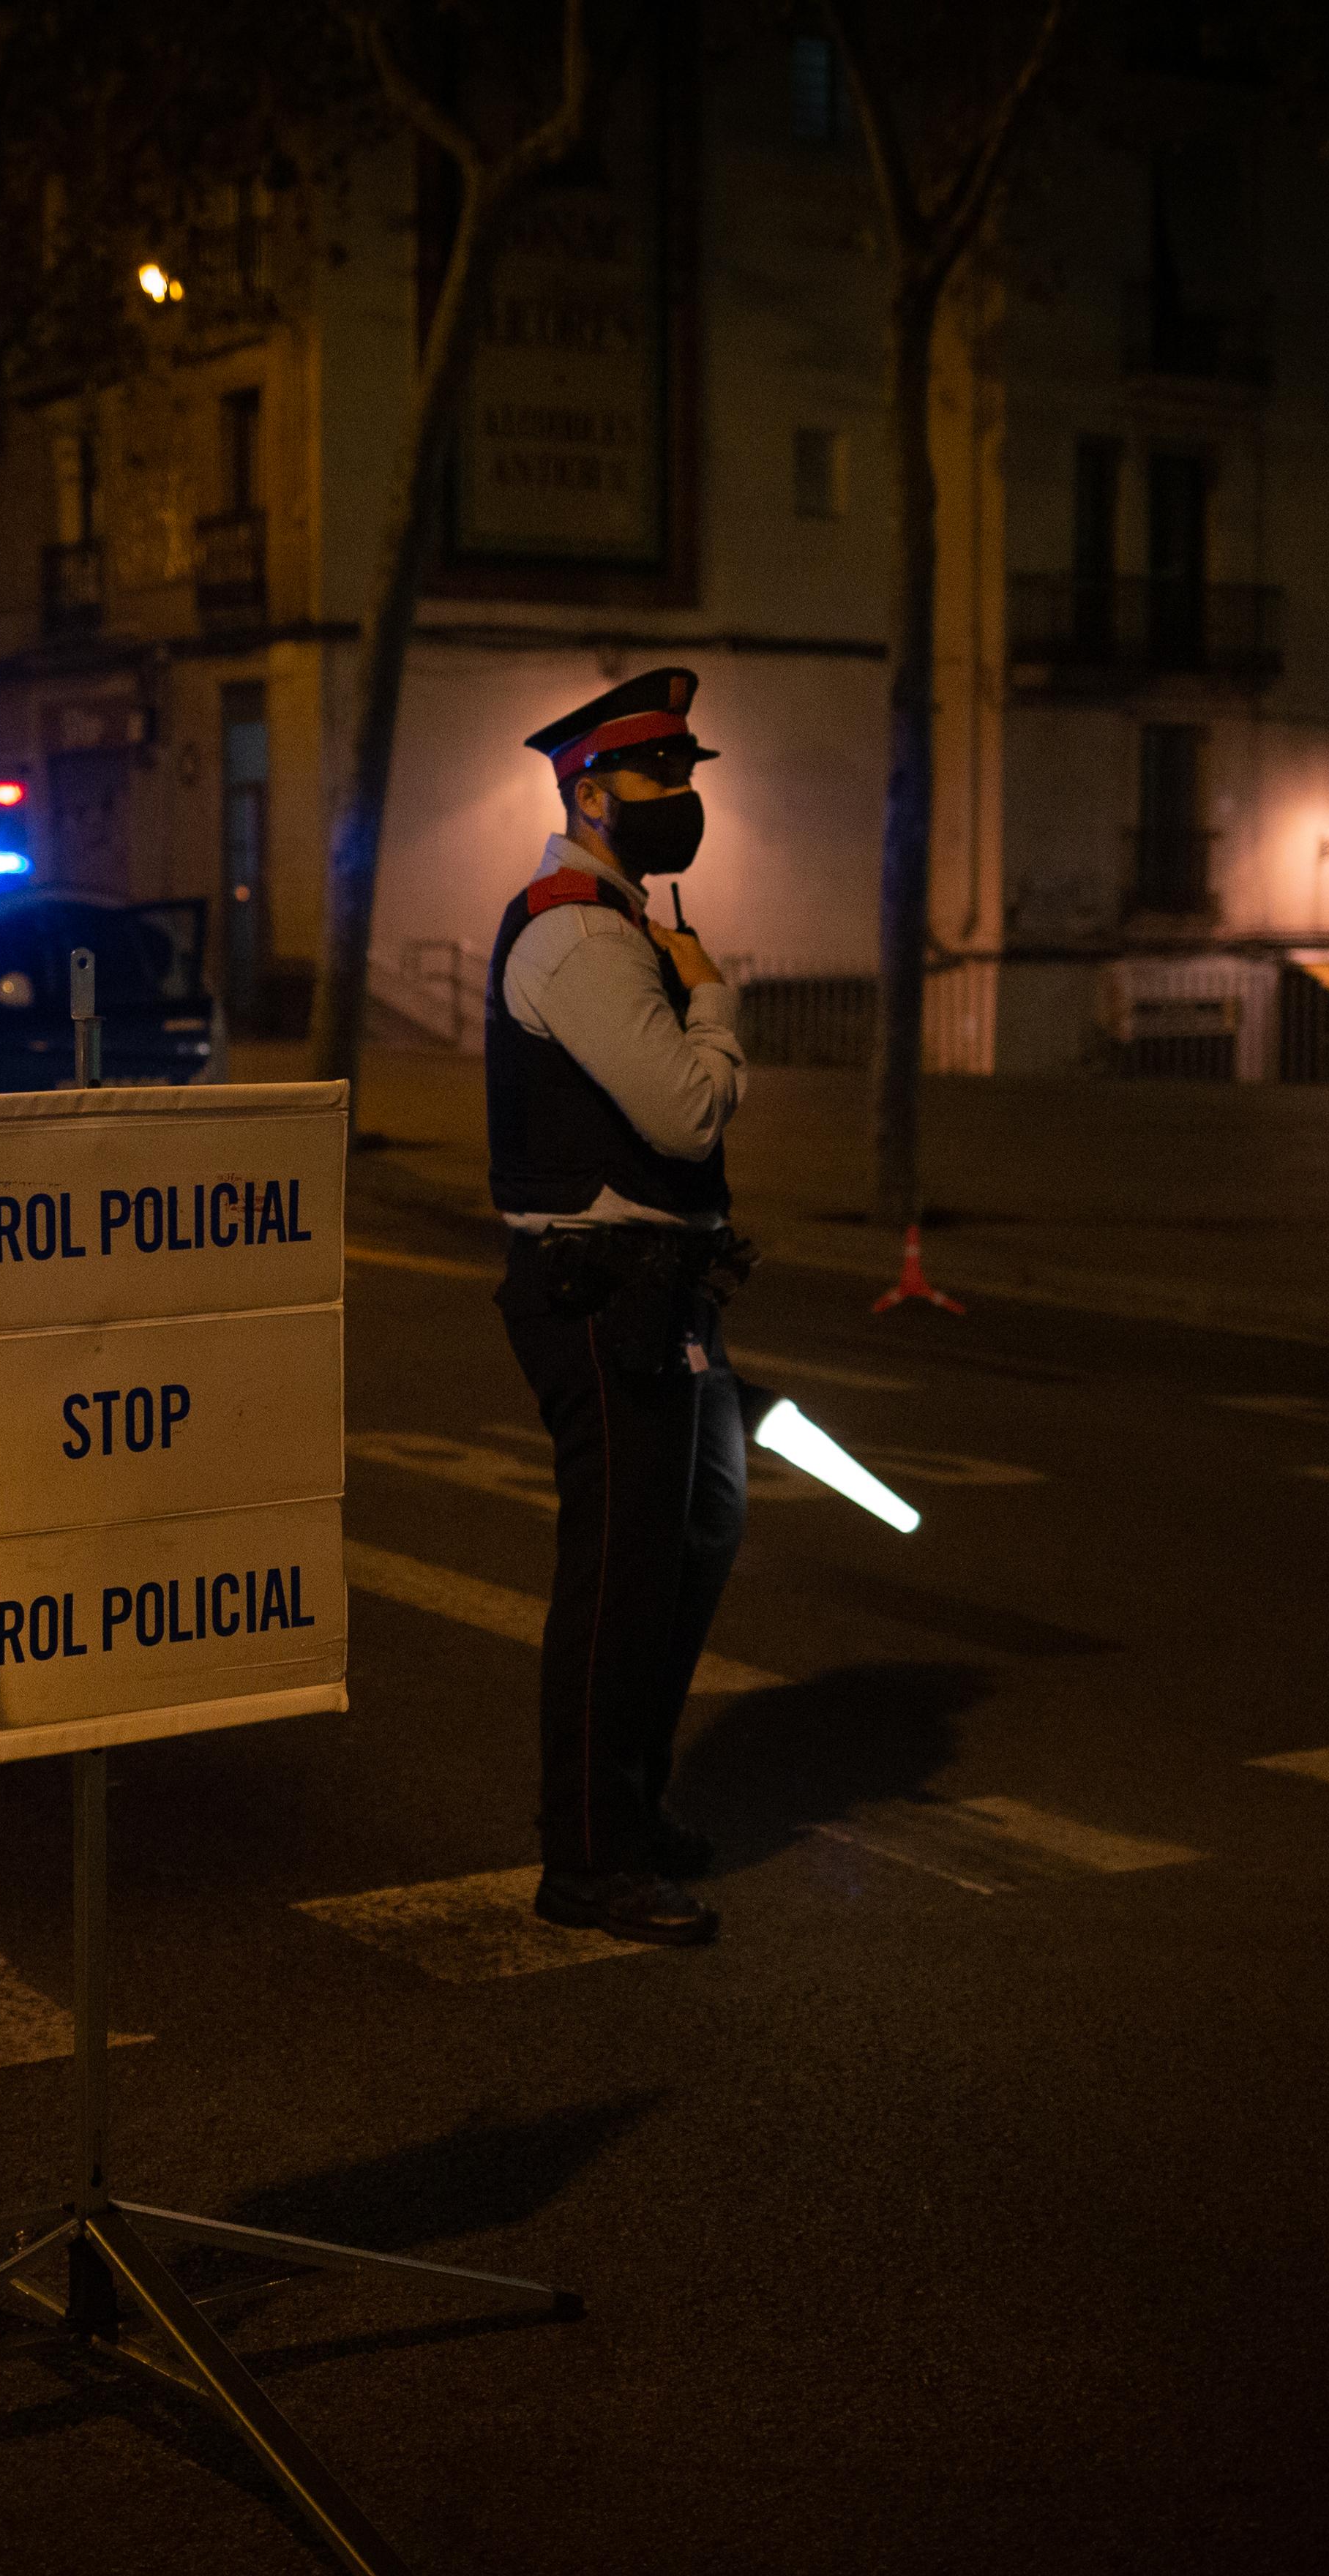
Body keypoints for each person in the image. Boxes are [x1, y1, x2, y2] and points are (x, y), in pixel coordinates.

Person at [487, 667, 752, 1949]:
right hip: (601, 1293)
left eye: (691, 777)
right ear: (591, 795)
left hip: (666, 1290)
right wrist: (714, 1000)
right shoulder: (578, 931)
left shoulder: (622, 918)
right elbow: (687, 1109)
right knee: (619, 1574)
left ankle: (629, 1808)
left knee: (695, 1536)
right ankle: (587, 1854)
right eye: (661, 779)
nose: (683, 799)